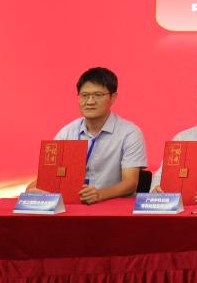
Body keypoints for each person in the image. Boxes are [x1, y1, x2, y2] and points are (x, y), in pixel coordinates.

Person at [28, 67, 147, 204]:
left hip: (112, 207)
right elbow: (48, 175)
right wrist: (31, 189)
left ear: (113, 97)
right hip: (73, 206)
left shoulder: (130, 133)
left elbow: (130, 183)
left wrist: (100, 195)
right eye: (84, 95)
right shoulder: (67, 132)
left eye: (98, 95)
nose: (90, 102)